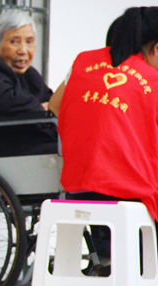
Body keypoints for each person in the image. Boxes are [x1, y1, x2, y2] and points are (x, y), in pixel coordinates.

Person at [48, 7, 158, 222]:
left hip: (78, 185)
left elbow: (55, 105)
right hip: (131, 192)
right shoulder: (152, 79)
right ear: (156, 48)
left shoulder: (83, 62)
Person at [0, 9, 58, 159]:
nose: (23, 50)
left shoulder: (29, 74)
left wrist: (51, 106)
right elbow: (8, 102)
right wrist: (41, 108)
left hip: (25, 141)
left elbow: (50, 99)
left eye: (29, 42)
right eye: (14, 42)